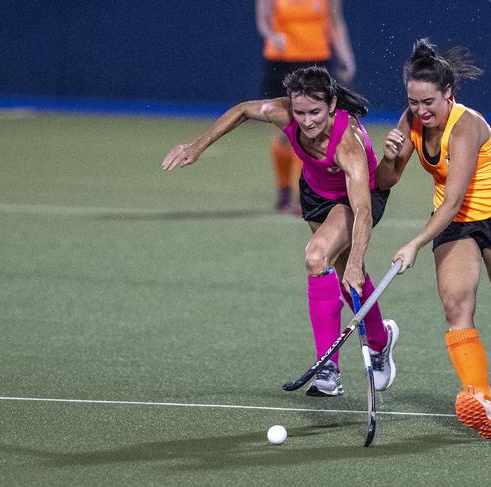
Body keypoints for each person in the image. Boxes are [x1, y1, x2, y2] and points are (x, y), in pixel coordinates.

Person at [162, 66, 397, 397]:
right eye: (299, 112)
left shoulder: (349, 143)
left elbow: (361, 210)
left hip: (356, 199)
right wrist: (198, 146)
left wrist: (358, 255)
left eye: (315, 112)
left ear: (331, 105)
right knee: (341, 269)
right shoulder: (284, 113)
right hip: (316, 193)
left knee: (319, 257)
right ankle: (380, 340)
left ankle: (328, 369)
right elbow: (243, 110)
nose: (307, 121)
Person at [377, 39, 491, 439]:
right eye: (413, 102)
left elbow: (454, 200)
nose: (421, 111)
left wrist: (414, 243)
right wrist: (388, 156)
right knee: (455, 303)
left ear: (448, 94)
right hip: (455, 225)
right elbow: (386, 181)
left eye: (429, 102)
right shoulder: (411, 121)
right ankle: (481, 398)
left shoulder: (467, 126)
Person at [255, 0, 356, 213]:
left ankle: (302, 195)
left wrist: (345, 56)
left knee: (311, 133)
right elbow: (263, 20)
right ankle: (284, 190)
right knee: (282, 133)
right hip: (281, 64)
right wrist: (272, 37)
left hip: (315, 62)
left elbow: (335, 22)